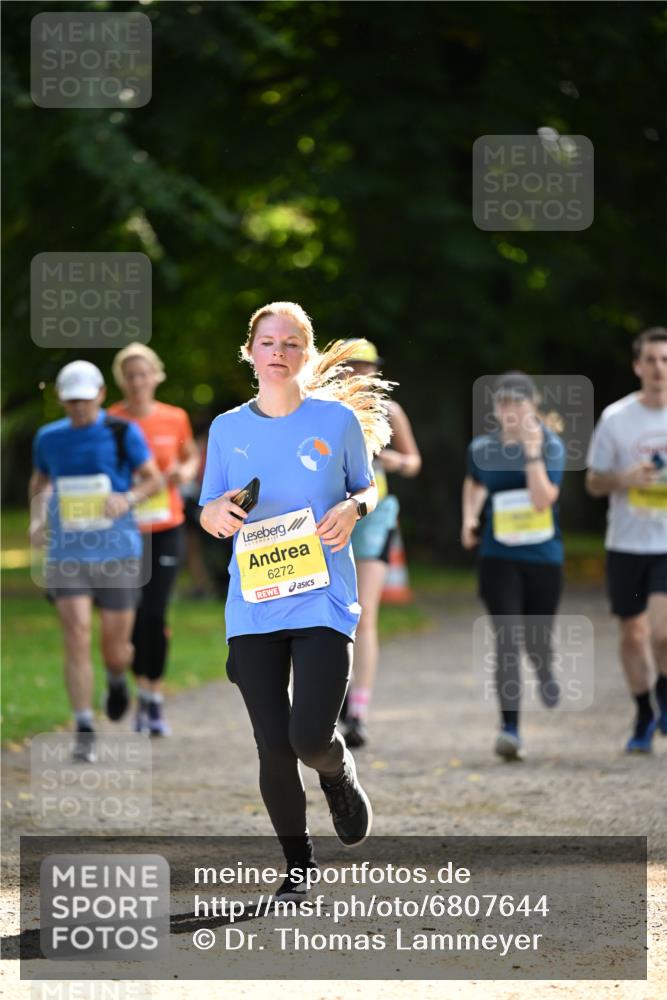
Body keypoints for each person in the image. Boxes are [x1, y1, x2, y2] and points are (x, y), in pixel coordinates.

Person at [199, 302, 391, 899]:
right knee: (273, 742)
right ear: (250, 352)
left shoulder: (335, 423)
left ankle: (336, 773)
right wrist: (213, 514)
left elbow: (369, 485)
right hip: (254, 602)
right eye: (267, 342)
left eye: (290, 343)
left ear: (305, 355)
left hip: (322, 598)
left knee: (309, 737)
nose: (277, 352)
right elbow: (207, 509)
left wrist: (353, 507)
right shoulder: (227, 428)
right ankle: (298, 864)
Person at [29, 361, 161, 762]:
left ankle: (118, 679)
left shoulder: (122, 431)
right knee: (76, 633)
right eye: (71, 402)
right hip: (67, 553)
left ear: (101, 395)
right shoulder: (48, 438)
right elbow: (40, 481)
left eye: (85, 400)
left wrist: (128, 498)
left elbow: (153, 478)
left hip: (118, 550)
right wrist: (37, 518)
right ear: (61, 400)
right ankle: (84, 724)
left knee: (116, 646)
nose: (79, 408)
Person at [461, 371, 566, 761]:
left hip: (543, 559)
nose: (509, 410)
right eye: (502, 402)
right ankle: (510, 729)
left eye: (517, 402)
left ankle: (545, 668)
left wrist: (533, 450)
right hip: (498, 556)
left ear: (532, 404)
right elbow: (473, 483)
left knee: (535, 639)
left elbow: (543, 500)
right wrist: (468, 519)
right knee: (507, 638)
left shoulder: (551, 445)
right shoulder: (481, 448)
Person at [109, 344, 200, 736]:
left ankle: (153, 696)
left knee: (156, 612)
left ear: (156, 376)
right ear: (121, 381)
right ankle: (139, 692)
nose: (137, 381)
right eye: (130, 375)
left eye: (143, 373)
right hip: (124, 530)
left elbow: (191, 455)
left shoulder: (174, 417)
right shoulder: (109, 419)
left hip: (166, 527)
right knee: (131, 616)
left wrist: (185, 471)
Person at [585, 327, 667, 752]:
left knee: (662, 632)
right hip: (626, 542)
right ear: (638, 366)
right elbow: (595, 483)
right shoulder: (617, 418)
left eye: (665, 360)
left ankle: (665, 695)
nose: (659, 368)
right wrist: (626, 478)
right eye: (651, 360)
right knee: (632, 636)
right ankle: (644, 713)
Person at [338, 339, 421, 748]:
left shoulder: (390, 411)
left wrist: (392, 461)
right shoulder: (323, 410)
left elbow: (414, 461)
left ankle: (358, 712)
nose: (357, 373)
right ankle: (332, 698)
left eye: (364, 367)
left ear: (376, 371)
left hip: (376, 517)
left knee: (364, 614)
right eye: (349, 366)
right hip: (331, 516)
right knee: (328, 610)